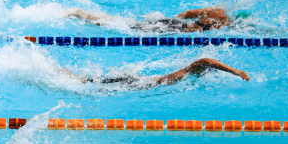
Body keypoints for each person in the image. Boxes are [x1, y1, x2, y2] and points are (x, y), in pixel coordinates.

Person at [58, 58, 250, 90]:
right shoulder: (189, 72)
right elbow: (205, 60)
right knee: (87, 83)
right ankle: (64, 74)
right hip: (137, 83)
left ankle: (68, 75)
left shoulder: (188, 76)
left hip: (140, 82)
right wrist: (235, 71)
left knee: (93, 82)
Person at [68, 7, 251, 33]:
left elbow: (188, 12)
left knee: (129, 24)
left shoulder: (217, 10)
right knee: (129, 27)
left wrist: (172, 20)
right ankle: (84, 15)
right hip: (175, 28)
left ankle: (88, 15)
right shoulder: (223, 21)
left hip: (173, 23)